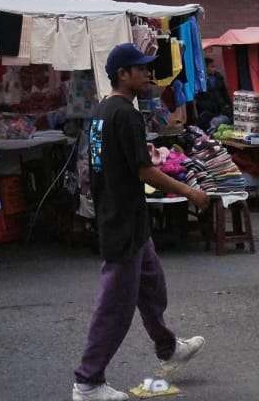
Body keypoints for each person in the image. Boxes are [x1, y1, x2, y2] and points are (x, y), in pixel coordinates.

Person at [73, 43, 209, 401]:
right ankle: (88, 382)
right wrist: (190, 191)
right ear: (123, 74)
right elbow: (143, 169)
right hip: (122, 223)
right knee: (114, 307)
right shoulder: (126, 115)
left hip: (123, 216)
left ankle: (167, 347)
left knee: (152, 286)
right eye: (142, 69)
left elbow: (97, 168)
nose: (148, 74)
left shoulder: (102, 111)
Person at [193, 56, 231, 129]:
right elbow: (197, 96)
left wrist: (228, 104)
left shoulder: (218, 77)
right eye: (212, 67)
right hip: (206, 110)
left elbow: (224, 92)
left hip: (219, 107)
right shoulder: (200, 79)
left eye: (214, 66)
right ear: (205, 68)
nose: (214, 69)